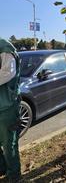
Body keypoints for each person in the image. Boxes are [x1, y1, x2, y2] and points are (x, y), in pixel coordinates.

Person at [0, 39, 21, 182]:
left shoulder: (5, 48)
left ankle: (14, 176)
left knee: (9, 143)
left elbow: (8, 72)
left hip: (7, 106)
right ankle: (2, 169)